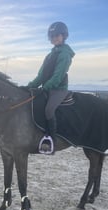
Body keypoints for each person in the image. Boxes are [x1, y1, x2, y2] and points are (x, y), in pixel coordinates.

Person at [26, 21, 75, 154]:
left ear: (63, 36)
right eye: (52, 36)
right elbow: (41, 76)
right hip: (47, 87)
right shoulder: (50, 55)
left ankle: (51, 139)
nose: (54, 38)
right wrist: (29, 87)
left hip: (58, 89)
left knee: (48, 110)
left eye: (57, 35)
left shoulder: (65, 54)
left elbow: (58, 76)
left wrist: (45, 87)